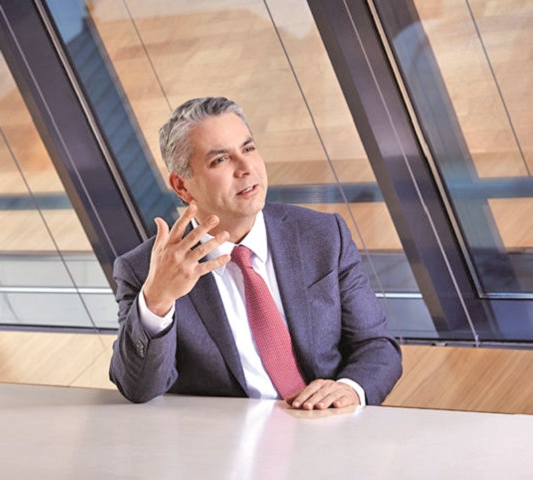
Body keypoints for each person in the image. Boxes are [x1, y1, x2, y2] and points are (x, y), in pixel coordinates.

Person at [109, 97, 402, 409]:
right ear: (182, 186)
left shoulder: (323, 236)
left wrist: (349, 389)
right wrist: (157, 300)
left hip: (326, 425)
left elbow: (376, 346)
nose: (246, 168)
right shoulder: (144, 271)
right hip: (227, 436)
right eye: (220, 160)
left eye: (248, 148)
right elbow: (137, 388)